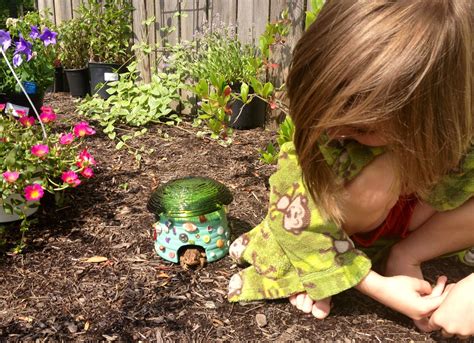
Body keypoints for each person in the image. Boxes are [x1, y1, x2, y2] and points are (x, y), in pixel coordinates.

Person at [228, 0, 473, 338]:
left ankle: (405, 252)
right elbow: (292, 214)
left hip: (419, 214)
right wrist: (373, 285)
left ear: (433, 114)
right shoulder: (337, 134)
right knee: (373, 177)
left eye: (362, 129)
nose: (333, 132)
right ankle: (334, 261)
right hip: (356, 224)